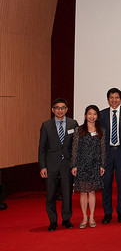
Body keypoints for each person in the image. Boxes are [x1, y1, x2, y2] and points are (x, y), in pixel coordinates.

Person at [38, 98, 79, 231]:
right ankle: (53, 221)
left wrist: (75, 164)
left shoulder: (73, 123)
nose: (60, 110)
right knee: (50, 195)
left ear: (67, 110)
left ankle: (66, 219)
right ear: (53, 110)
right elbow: (42, 148)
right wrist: (42, 166)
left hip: (67, 165)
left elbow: (76, 146)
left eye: (63, 108)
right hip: (51, 165)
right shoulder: (46, 125)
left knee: (67, 194)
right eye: (57, 108)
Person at [99, 88, 121, 224]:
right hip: (106, 153)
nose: (114, 100)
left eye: (117, 97)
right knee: (106, 184)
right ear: (108, 99)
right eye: (111, 98)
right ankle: (107, 213)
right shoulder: (101, 114)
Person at [71, 105, 106, 229]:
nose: (92, 116)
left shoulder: (101, 130)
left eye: (94, 114)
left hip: (95, 164)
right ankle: (84, 217)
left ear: (97, 116)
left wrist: (102, 164)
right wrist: (74, 165)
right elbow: (74, 148)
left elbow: (103, 150)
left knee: (91, 191)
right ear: (86, 115)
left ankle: (91, 217)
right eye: (90, 114)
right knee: (82, 193)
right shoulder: (78, 130)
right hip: (82, 164)